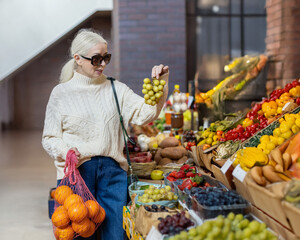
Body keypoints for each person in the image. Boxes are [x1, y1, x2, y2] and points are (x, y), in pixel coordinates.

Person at [42, 28, 169, 240]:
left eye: (106, 58)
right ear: (78, 59)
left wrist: (161, 83)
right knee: (81, 235)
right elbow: (49, 138)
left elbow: (145, 114)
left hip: (112, 173)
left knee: (116, 235)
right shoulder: (61, 94)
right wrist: (66, 151)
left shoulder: (115, 89)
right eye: (96, 59)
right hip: (77, 173)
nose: (102, 64)